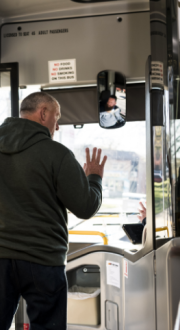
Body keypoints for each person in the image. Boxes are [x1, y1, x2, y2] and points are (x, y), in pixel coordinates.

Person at [0, 92, 107, 330]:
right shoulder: (56, 154)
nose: (57, 126)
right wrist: (94, 178)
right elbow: (86, 206)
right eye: (57, 118)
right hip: (42, 260)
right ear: (43, 113)